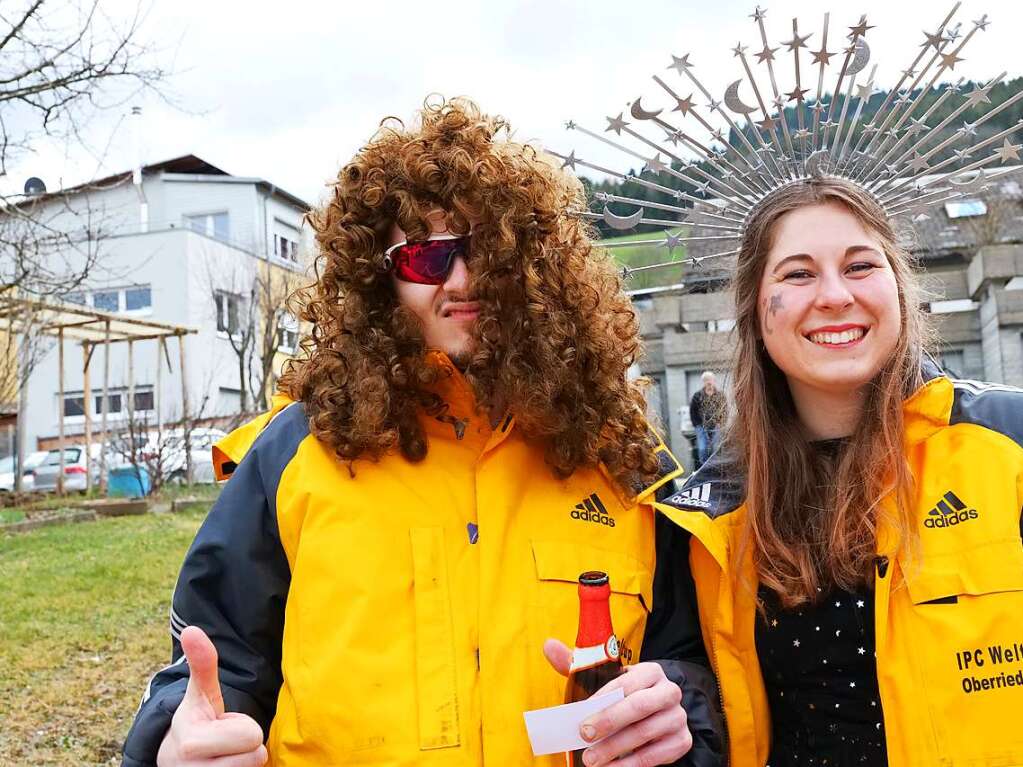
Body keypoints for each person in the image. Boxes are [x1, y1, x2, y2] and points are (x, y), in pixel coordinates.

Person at [121, 98, 724, 767]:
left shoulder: (621, 457)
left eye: (486, 251)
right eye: (425, 259)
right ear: (379, 279)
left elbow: (694, 663)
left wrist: (681, 720)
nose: (460, 279)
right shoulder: (292, 454)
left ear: (533, 264)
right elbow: (212, 672)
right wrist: (173, 743)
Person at [660, 177, 1023, 766]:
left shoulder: (1010, 443)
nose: (834, 295)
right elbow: (703, 713)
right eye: (798, 274)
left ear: (899, 288)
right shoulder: (707, 518)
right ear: (755, 310)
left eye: (860, 266)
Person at [688, 372, 725, 466]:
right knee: (702, 448)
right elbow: (693, 412)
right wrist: (697, 425)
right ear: (703, 382)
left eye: (710, 379)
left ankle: (716, 467)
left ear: (714, 381)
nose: (708, 382)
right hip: (701, 426)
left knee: (716, 448)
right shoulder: (697, 396)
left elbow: (725, 410)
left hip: (716, 425)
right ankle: (704, 468)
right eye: (706, 380)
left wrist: (721, 422)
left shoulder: (720, 395)